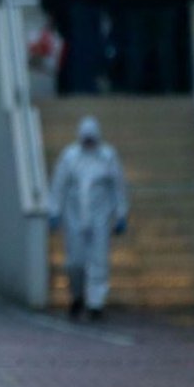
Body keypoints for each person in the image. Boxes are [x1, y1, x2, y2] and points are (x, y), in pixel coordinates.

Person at [49, 116, 128, 320]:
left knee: (99, 261)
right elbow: (59, 185)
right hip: (74, 217)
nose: (89, 143)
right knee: (74, 262)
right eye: (86, 139)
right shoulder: (70, 157)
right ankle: (77, 296)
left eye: (92, 139)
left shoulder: (108, 157)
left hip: (100, 217)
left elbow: (118, 186)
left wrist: (121, 213)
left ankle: (96, 304)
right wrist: (54, 211)